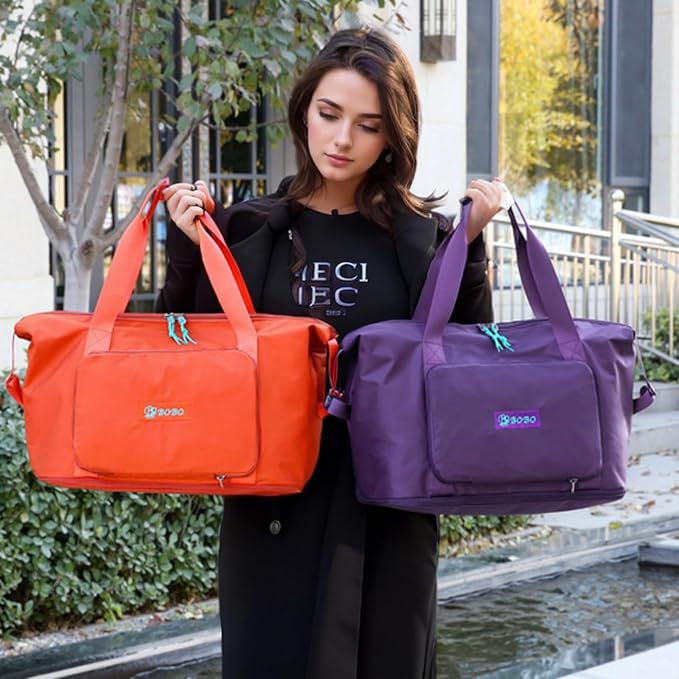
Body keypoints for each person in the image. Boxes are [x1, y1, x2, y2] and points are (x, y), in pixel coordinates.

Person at [157, 27, 501, 679]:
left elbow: (466, 365)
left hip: (388, 507)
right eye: (329, 114)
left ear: (392, 136)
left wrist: (472, 249)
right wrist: (186, 248)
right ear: (304, 112)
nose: (342, 139)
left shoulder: (423, 237)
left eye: (368, 125)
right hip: (272, 504)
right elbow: (185, 354)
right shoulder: (246, 230)